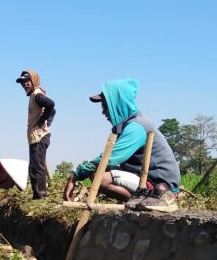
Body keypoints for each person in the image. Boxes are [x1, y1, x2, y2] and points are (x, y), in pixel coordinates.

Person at [63, 78, 181, 212]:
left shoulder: (136, 126)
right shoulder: (128, 125)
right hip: (146, 179)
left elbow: (111, 158)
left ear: (118, 104)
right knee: (102, 172)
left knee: (98, 177)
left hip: (160, 184)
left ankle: (152, 198)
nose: (103, 112)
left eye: (106, 106)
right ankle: (136, 199)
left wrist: (76, 175)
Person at [16, 69, 56, 199]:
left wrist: (43, 121)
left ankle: (41, 195)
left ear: (33, 81)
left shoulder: (37, 95)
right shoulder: (34, 95)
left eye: (27, 81)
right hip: (35, 137)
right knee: (33, 167)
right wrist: (47, 120)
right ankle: (37, 195)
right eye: (23, 82)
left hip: (39, 136)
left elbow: (51, 105)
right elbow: (52, 110)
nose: (25, 84)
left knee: (37, 167)